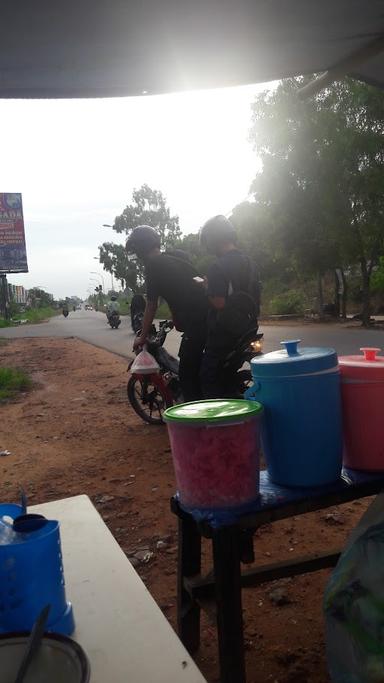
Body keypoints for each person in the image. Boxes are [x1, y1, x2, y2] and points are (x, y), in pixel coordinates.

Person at [126, 226, 208, 402]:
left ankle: (199, 420)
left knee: (187, 375)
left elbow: (151, 305)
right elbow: (188, 285)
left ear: (139, 249)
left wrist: (142, 336)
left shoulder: (153, 266)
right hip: (210, 315)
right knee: (198, 365)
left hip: (196, 323)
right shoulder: (177, 255)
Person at [199, 215, 260, 398]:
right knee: (227, 376)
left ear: (212, 240)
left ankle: (220, 421)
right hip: (248, 327)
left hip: (224, 334)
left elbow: (219, 302)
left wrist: (206, 288)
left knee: (208, 378)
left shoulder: (217, 266)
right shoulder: (250, 263)